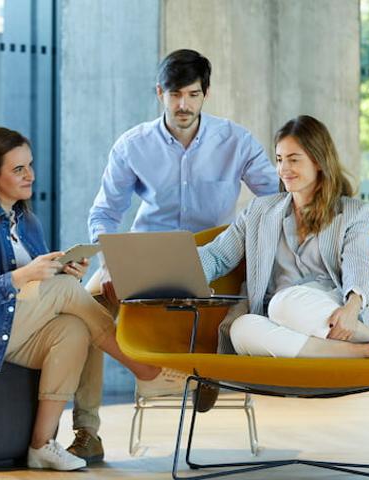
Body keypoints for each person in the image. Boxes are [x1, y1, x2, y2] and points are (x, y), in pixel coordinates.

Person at [0, 127, 189, 471]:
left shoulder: (25, 221)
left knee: (73, 329)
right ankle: (143, 368)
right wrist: (26, 275)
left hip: (8, 323)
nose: (30, 175)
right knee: (67, 294)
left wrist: (61, 269)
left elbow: (39, 288)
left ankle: (41, 445)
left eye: (29, 165)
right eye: (18, 169)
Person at [73, 49, 279, 444]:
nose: (183, 105)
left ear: (206, 94)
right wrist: (112, 262)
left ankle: (207, 369)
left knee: (256, 296)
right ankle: (87, 431)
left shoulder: (236, 141)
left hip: (216, 260)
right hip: (146, 257)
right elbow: (104, 213)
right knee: (86, 308)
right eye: (174, 95)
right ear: (159, 93)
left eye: (192, 94)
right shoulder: (132, 145)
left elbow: (274, 200)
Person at [198, 115, 369, 359]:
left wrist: (352, 308)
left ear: (318, 162)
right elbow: (218, 255)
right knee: (241, 329)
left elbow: (360, 262)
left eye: (293, 160)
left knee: (284, 303)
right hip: (283, 325)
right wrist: (172, 271)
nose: (283, 169)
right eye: (279, 160)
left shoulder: (352, 213)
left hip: (334, 315)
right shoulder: (259, 211)